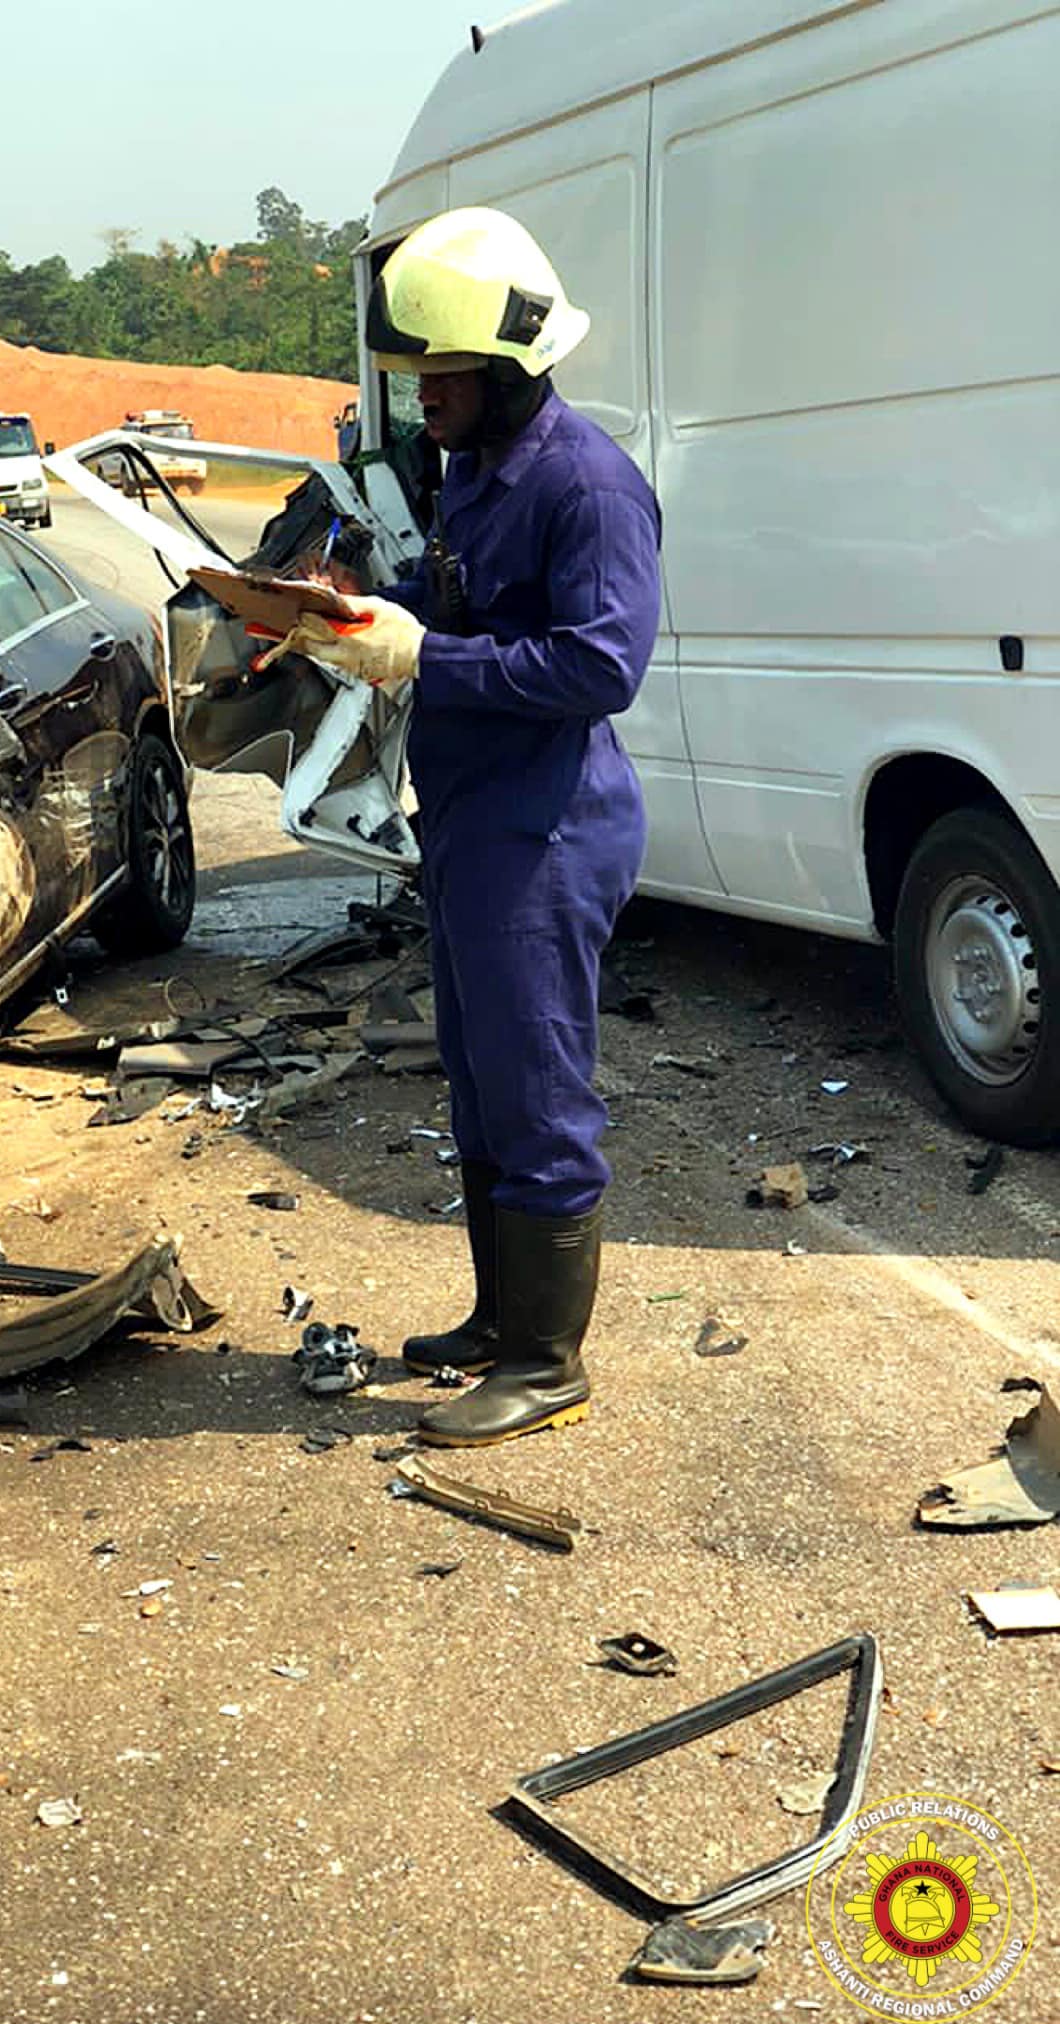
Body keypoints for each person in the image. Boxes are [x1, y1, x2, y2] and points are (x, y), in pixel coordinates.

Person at [266, 208, 662, 1448]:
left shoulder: (585, 483)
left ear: (504, 370)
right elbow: (452, 614)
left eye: (440, 375)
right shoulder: (475, 471)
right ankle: (499, 1321)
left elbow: (600, 666)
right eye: (416, 374)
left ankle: (546, 1362)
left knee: (537, 1089)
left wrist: (425, 659)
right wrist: (352, 614)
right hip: (473, 823)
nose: (419, 395)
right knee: (483, 1086)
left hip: (546, 830)